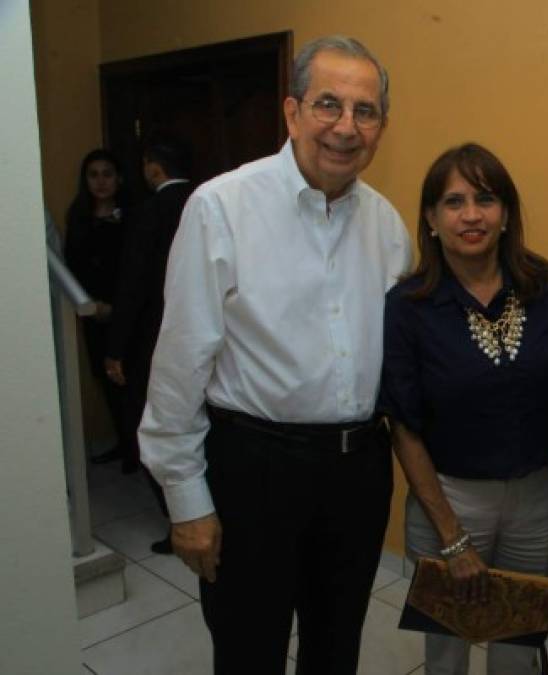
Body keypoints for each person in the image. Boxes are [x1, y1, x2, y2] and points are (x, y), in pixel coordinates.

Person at [138, 35, 411, 674]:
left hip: (357, 474)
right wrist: (187, 501)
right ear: (290, 112)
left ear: (381, 126)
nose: (346, 127)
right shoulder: (221, 207)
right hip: (254, 472)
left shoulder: (388, 225)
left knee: (336, 647)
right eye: (328, 105)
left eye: (364, 111)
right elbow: (180, 363)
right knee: (248, 652)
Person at [380, 143, 548, 675]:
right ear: (431, 219)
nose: (472, 215)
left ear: (506, 213)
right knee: (448, 654)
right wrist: (452, 537)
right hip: (448, 501)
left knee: (518, 650)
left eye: (486, 198)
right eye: (454, 202)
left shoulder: (544, 285)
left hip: (539, 499)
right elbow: (404, 428)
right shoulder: (409, 305)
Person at [105, 134, 194, 554]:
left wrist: (116, 346)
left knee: (157, 427)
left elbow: (134, 285)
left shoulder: (149, 213)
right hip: (208, 339)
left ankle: (181, 521)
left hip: (155, 339)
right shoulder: (209, 201)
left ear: (153, 167)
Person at [64, 149, 134, 471]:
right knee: (106, 382)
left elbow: (137, 269)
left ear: (118, 178)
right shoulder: (78, 216)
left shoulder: (134, 214)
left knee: (133, 382)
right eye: (94, 175)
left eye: (107, 174)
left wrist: (118, 307)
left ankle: (139, 450)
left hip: (129, 313)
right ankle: (123, 444)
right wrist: (93, 305)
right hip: (94, 313)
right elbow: (72, 265)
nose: (101, 181)